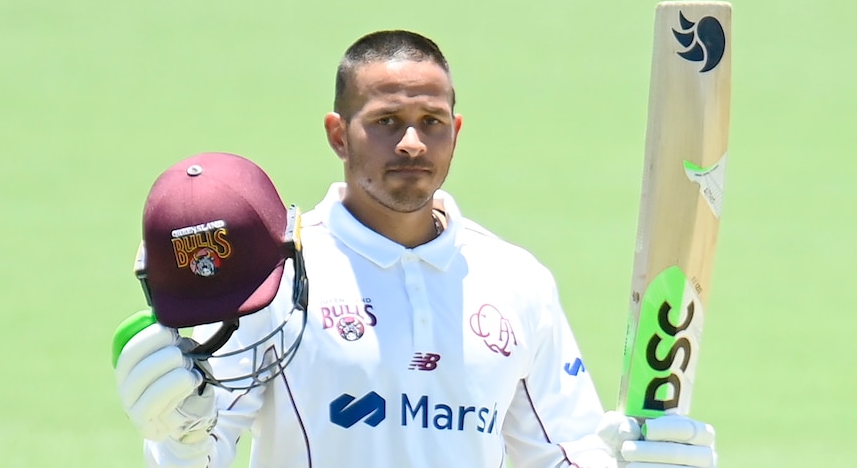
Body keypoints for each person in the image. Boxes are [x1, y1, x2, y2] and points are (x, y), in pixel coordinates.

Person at [114, 30, 717, 468]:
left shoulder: (515, 281)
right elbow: (203, 452)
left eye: (431, 120)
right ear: (337, 135)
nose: (411, 142)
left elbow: (560, 454)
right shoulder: (275, 277)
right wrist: (179, 440)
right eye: (385, 121)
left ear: (455, 132)